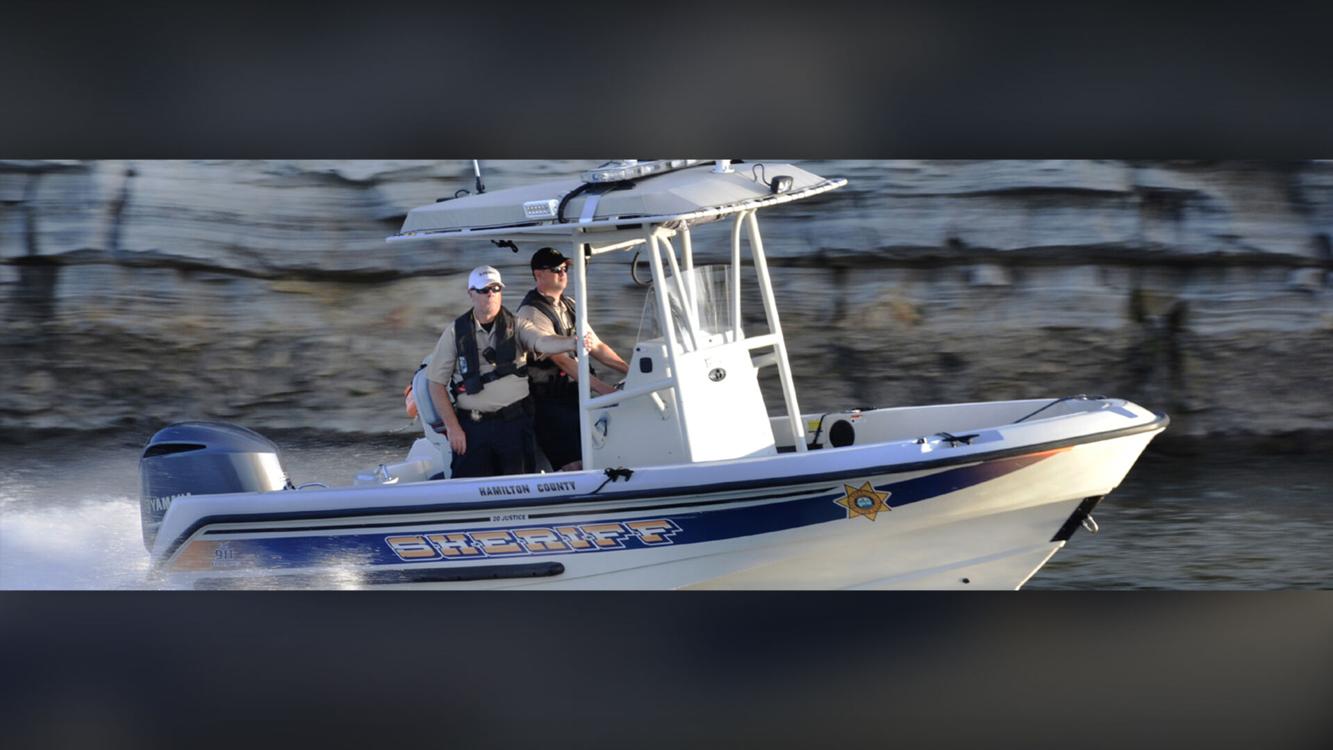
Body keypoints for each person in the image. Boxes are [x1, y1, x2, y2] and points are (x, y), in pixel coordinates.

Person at [425, 265, 584, 479]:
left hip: (514, 424)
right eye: (484, 290)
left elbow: (542, 341)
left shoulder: (518, 325)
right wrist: (453, 428)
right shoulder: (455, 332)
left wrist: (572, 342)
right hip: (472, 428)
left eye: (496, 288)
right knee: (467, 486)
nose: (490, 293)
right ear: (471, 293)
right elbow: (435, 383)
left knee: (519, 485)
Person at [516, 247, 630, 471]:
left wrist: (631, 372)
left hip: (574, 396)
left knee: (598, 454)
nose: (563, 273)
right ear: (538, 274)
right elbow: (562, 361)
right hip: (549, 403)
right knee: (576, 465)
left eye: (565, 268)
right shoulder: (531, 312)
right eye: (556, 269)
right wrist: (605, 390)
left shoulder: (569, 305)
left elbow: (597, 346)